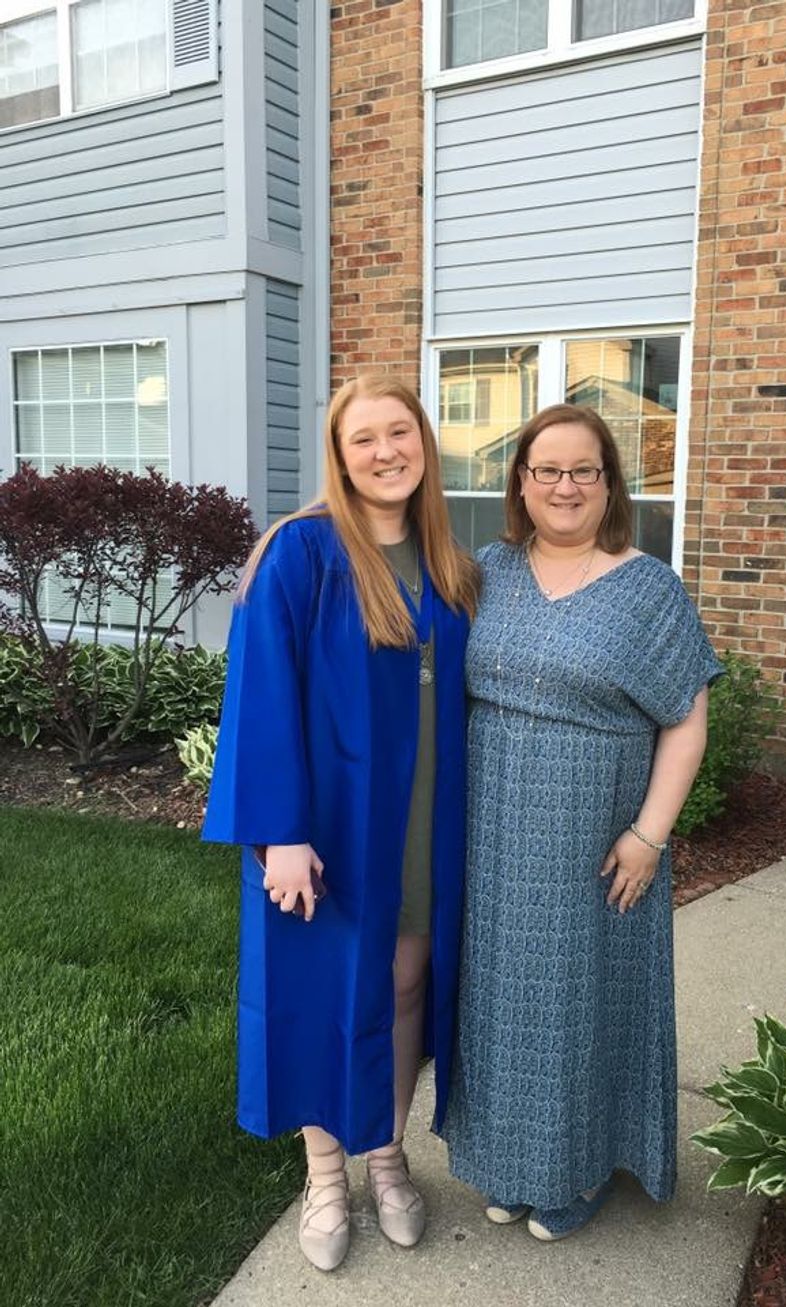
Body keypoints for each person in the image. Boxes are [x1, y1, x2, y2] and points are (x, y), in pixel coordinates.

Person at [203, 376, 479, 1272]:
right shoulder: (301, 552)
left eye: (401, 431)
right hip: (326, 824)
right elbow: (260, 695)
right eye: (365, 438)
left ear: (425, 442)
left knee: (404, 983)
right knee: (324, 989)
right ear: (339, 453)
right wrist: (280, 832)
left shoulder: (448, 563)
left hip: (423, 814)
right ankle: (326, 1175)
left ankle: (386, 1151)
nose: (386, 451)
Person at [442, 403, 723, 1241]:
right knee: (498, 998)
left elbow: (686, 719)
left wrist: (649, 834)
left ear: (609, 484)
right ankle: (509, 1160)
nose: (564, 486)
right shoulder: (488, 571)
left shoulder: (649, 588)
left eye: (583, 471)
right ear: (521, 482)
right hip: (491, 829)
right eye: (547, 470)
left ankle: (582, 1167)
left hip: (597, 834)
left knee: (579, 999)